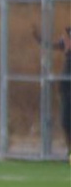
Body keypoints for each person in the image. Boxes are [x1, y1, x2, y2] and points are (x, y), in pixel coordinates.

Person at [33, 26, 71, 155]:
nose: (65, 39)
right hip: (66, 92)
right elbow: (49, 45)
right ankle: (70, 151)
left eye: (67, 37)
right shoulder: (65, 47)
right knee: (66, 122)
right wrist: (38, 38)